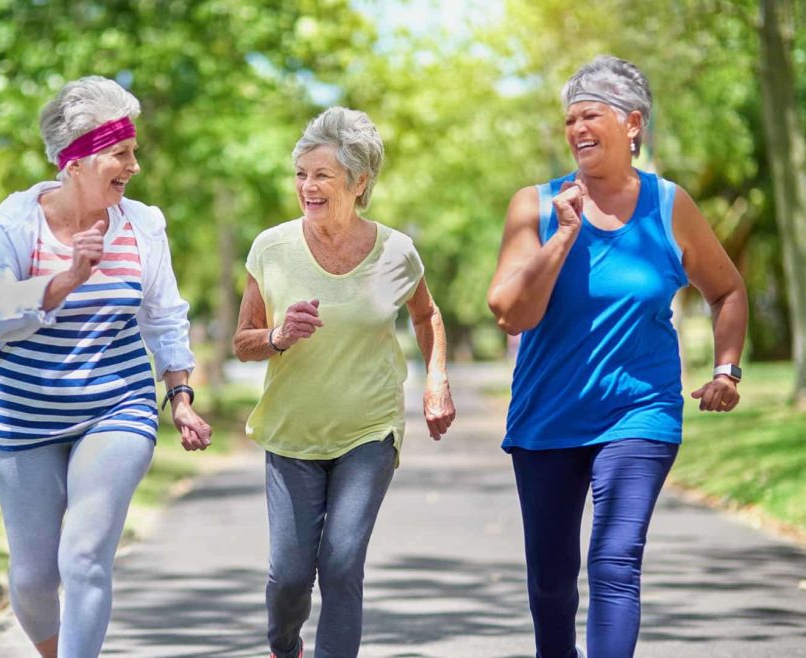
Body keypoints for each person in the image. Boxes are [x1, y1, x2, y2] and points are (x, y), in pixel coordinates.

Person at [487, 56, 748, 658]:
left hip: (640, 414)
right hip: (546, 418)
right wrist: (561, 239)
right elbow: (510, 313)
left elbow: (728, 290)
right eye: (570, 119)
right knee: (551, 586)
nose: (577, 129)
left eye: (591, 115)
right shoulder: (535, 204)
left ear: (633, 124)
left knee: (614, 561)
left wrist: (726, 369)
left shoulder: (668, 206)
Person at [0, 75, 211, 658]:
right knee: (35, 578)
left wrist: (181, 394)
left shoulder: (143, 226)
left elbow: (165, 318)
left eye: (133, 150)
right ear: (76, 161)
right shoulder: (17, 223)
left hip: (115, 406)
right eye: (121, 153)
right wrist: (66, 279)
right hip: (20, 416)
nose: (134, 165)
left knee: (84, 555)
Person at [233, 107, 456, 658]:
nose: (307, 187)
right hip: (292, 433)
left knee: (340, 563)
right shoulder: (272, 249)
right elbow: (242, 341)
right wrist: (279, 335)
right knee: (288, 576)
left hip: (368, 430)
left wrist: (437, 380)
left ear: (360, 183)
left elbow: (427, 316)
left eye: (321, 175)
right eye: (301, 174)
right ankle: (285, 646)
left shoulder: (397, 252)